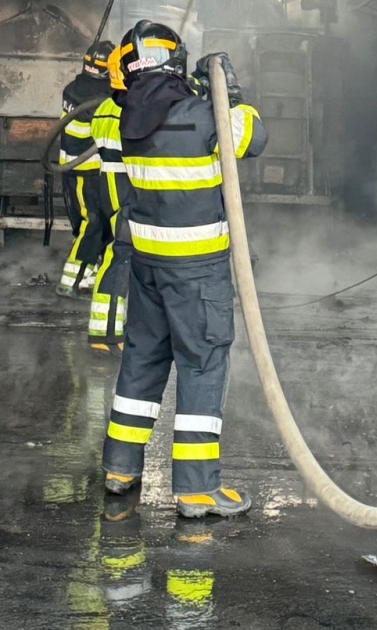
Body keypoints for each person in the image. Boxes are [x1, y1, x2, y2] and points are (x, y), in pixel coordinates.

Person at [100, 21, 268, 518]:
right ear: (175, 61)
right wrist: (230, 92)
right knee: (201, 367)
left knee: (142, 363)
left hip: (148, 265)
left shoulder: (119, 120)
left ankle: (120, 469)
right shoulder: (204, 115)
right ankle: (196, 490)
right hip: (197, 271)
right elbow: (253, 138)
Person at [58, 41, 115, 299]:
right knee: (91, 224)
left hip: (74, 168)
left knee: (90, 223)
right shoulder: (102, 99)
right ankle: (71, 280)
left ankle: (87, 275)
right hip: (88, 170)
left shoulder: (74, 88)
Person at [88, 55, 135, 358]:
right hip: (124, 190)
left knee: (114, 257)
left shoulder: (105, 107)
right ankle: (107, 334)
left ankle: (107, 331)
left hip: (108, 186)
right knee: (120, 258)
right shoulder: (128, 109)